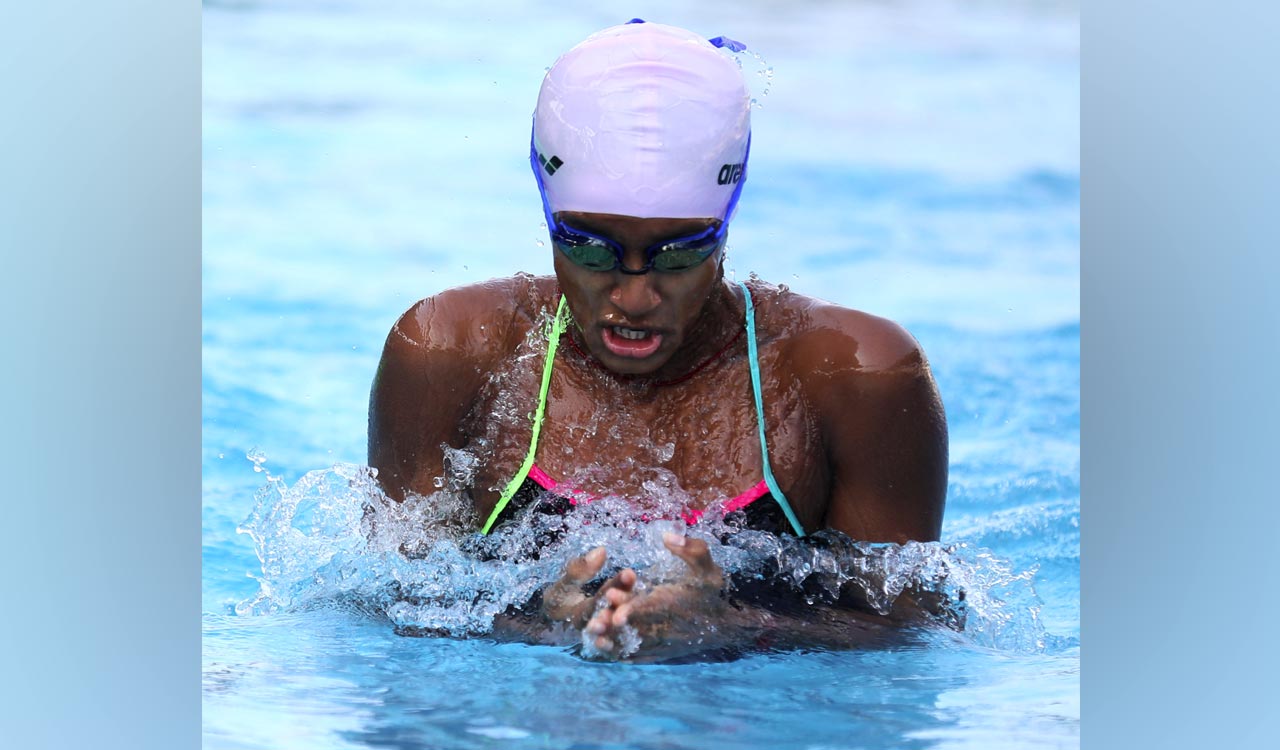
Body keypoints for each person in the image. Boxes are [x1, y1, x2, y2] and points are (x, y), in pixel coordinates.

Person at [368, 20, 948, 660]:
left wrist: (731, 626)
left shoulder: (854, 374)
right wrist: (537, 623)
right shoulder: (451, 351)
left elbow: (912, 630)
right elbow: (387, 607)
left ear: (725, 225)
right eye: (591, 248)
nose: (635, 298)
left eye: (677, 254)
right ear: (548, 216)